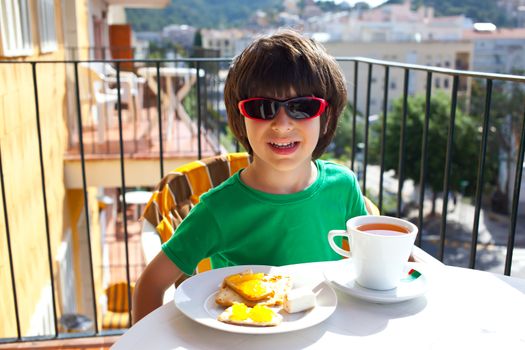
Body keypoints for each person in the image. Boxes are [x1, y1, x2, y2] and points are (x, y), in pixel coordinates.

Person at [132, 29, 368, 323]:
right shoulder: (218, 209)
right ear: (240, 118)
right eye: (262, 107)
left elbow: (367, 265)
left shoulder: (343, 187)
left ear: (327, 116)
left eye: (302, 107)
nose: (282, 124)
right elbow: (151, 285)